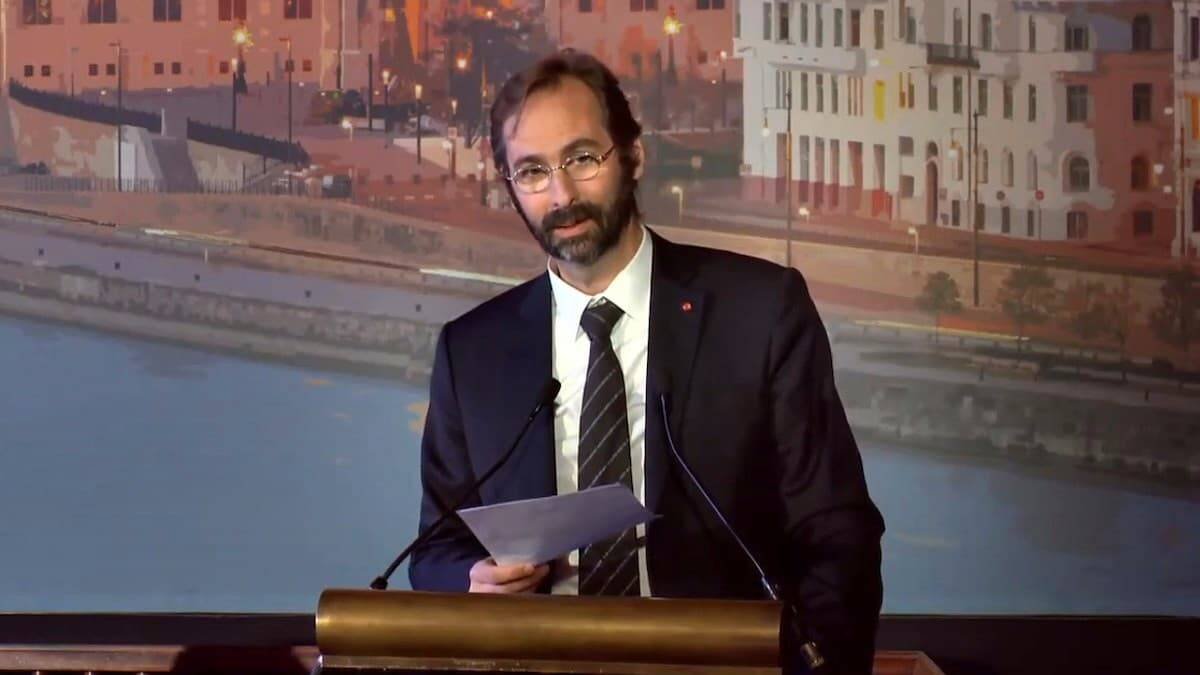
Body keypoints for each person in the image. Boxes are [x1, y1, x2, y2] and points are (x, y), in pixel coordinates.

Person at [409, 50, 884, 673]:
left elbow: (836, 537)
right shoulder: (472, 351)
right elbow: (435, 549)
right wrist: (473, 578)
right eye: (532, 171)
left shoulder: (761, 313)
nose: (562, 194)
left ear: (633, 156)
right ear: (511, 188)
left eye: (582, 158)